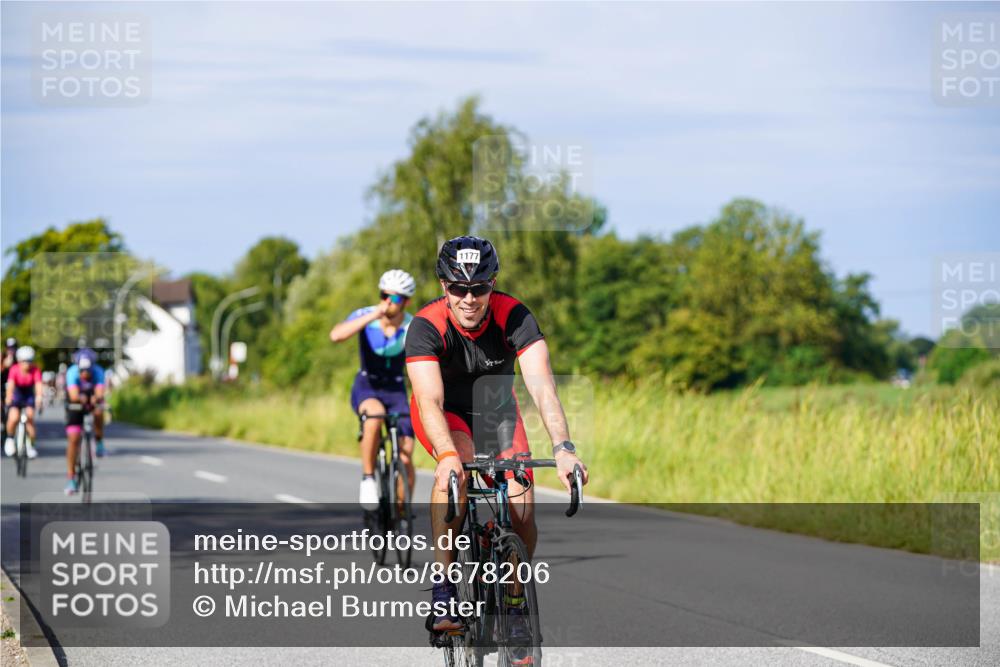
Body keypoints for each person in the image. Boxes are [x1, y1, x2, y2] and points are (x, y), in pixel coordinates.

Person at [405, 236, 589, 648]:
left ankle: (514, 594)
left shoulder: (515, 316)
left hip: (495, 411)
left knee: (522, 505)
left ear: (493, 285)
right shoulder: (425, 326)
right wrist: (448, 455)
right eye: (458, 288)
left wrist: (563, 448)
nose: (469, 298)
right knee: (456, 470)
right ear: (443, 286)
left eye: (480, 288)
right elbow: (429, 400)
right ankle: (445, 588)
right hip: (444, 413)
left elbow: (543, 390)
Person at [330, 269, 418, 510]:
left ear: (406, 302)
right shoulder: (365, 316)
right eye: (384, 295)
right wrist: (373, 316)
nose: (388, 302)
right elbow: (336, 335)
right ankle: (368, 478)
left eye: (396, 298)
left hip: (395, 388)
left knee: (406, 453)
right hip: (367, 385)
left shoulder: (412, 326)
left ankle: (401, 510)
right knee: (375, 417)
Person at [63, 355, 106, 494]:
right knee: (73, 439)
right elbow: (74, 395)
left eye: (88, 370)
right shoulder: (72, 372)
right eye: (82, 370)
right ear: (78, 368)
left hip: (92, 400)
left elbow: (99, 392)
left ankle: (99, 441)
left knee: (99, 412)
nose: (85, 374)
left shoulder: (99, 372)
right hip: (75, 404)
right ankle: (71, 478)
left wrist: (96, 398)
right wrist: (81, 398)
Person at [4, 345, 42, 459]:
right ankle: (10, 439)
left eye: (30, 361)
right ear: (19, 361)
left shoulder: (35, 370)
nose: (27, 364)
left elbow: (38, 385)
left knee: (30, 416)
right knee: (14, 417)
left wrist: (39, 397)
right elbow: (10, 386)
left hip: (29, 394)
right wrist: (8, 397)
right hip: (18, 393)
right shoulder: (14, 369)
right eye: (25, 361)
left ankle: (31, 444)